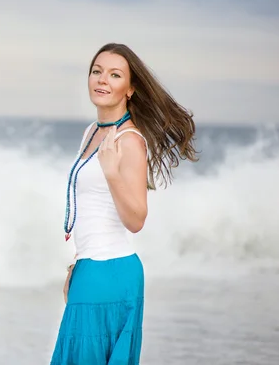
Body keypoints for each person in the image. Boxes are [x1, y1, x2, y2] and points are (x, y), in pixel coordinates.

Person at [50, 43, 198, 364]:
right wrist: (77, 264)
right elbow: (92, 207)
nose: (102, 80)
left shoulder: (129, 140)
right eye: (97, 71)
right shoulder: (93, 131)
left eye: (115, 75)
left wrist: (112, 174)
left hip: (112, 274)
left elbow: (136, 219)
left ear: (129, 89)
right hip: (92, 269)